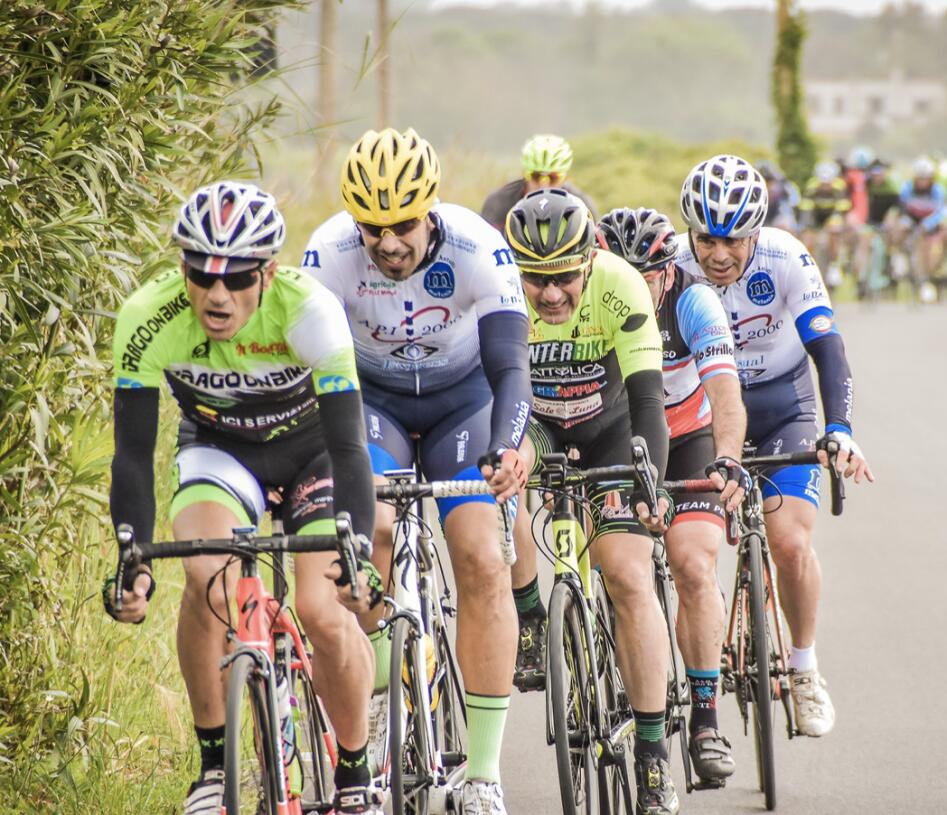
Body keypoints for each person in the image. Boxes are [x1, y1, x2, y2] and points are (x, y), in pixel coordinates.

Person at [107, 181, 382, 815]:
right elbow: (130, 456)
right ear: (183, 269)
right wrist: (134, 557)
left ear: (269, 272)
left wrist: (358, 546)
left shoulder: (309, 309)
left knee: (321, 604)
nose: (217, 294)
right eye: (202, 276)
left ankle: (355, 769)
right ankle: (213, 766)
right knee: (207, 578)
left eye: (236, 278)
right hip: (219, 448)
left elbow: (349, 449)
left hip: (313, 450)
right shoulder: (148, 315)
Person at [302, 127, 533, 815]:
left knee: (482, 556)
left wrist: (508, 447)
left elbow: (510, 367)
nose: (389, 242)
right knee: (369, 528)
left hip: (465, 404)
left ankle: (483, 772)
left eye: (402, 224)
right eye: (373, 228)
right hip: (373, 406)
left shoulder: (476, 249)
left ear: (430, 208)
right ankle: (375, 684)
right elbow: (311, 377)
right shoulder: (329, 255)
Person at [674, 154, 874, 741]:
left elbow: (828, 347)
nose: (718, 254)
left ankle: (805, 667)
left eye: (734, 240)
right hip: (707, 415)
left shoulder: (786, 257)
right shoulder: (674, 268)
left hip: (783, 405)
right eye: (707, 238)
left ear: (756, 232)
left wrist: (839, 428)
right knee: (692, 554)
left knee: (789, 541)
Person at [503, 189, 680, 814]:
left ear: (589, 261)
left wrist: (648, 484)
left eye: (563, 280)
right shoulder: (501, 292)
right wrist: (511, 453)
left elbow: (651, 403)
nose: (550, 295)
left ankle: (654, 751)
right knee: (502, 485)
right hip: (540, 424)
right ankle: (530, 615)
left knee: (629, 573)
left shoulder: (620, 285)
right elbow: (497, 395)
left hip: (611, 426)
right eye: (535, 280)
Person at [596, 206, 748, 785]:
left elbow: (726, 396)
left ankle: (707, 721)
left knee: (691, 561)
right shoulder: (590, 299)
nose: (636, 284)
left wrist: (727, 455)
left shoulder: (693, 300)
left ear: (669, 268)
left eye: (649, 273)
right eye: (621, 269)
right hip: (614, 434)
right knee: (615, 567)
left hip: (687, 437)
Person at [480, 133, 596, 230]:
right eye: (536, 176)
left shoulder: (583, 206)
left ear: (566, 177)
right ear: (524, 174)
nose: (543, 185)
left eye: (553, 178)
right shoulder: (499, 201)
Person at [899, 157, 947, 283]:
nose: (922, 181)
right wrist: (905, 221)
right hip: (912, 219)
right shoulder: (907, 188)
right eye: (920, 178)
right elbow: (902, 208)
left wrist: (927, 224)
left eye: (925, 178)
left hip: (930, 222)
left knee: (929, 248)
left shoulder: (938, 191)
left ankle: (928, 276)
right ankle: (900, 259)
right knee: (900, 229)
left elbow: (940, 212)